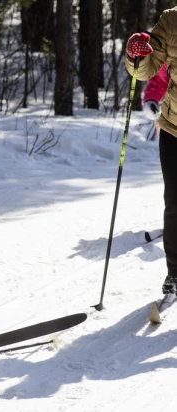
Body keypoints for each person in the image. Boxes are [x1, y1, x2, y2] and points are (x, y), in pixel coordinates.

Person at [126, 8, 177, 294]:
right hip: (174, 126)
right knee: (175, 203)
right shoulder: (171, 21)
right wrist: (138, 55)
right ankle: (176, 275)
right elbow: (148, 70)